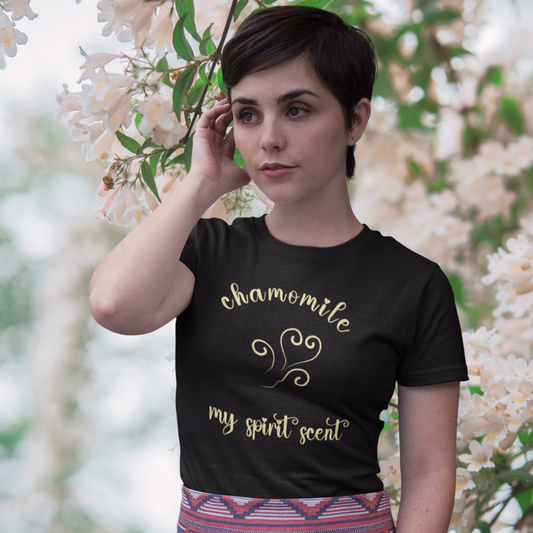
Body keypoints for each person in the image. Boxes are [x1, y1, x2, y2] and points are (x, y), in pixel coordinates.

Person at [89, 6, 468, 533]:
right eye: (247, 114)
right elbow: (114, 306)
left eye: (297, 110)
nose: (268, 138)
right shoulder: (208, 252)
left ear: (356, 120)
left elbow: (429, 472)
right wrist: (201, 184)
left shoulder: (414, 285)